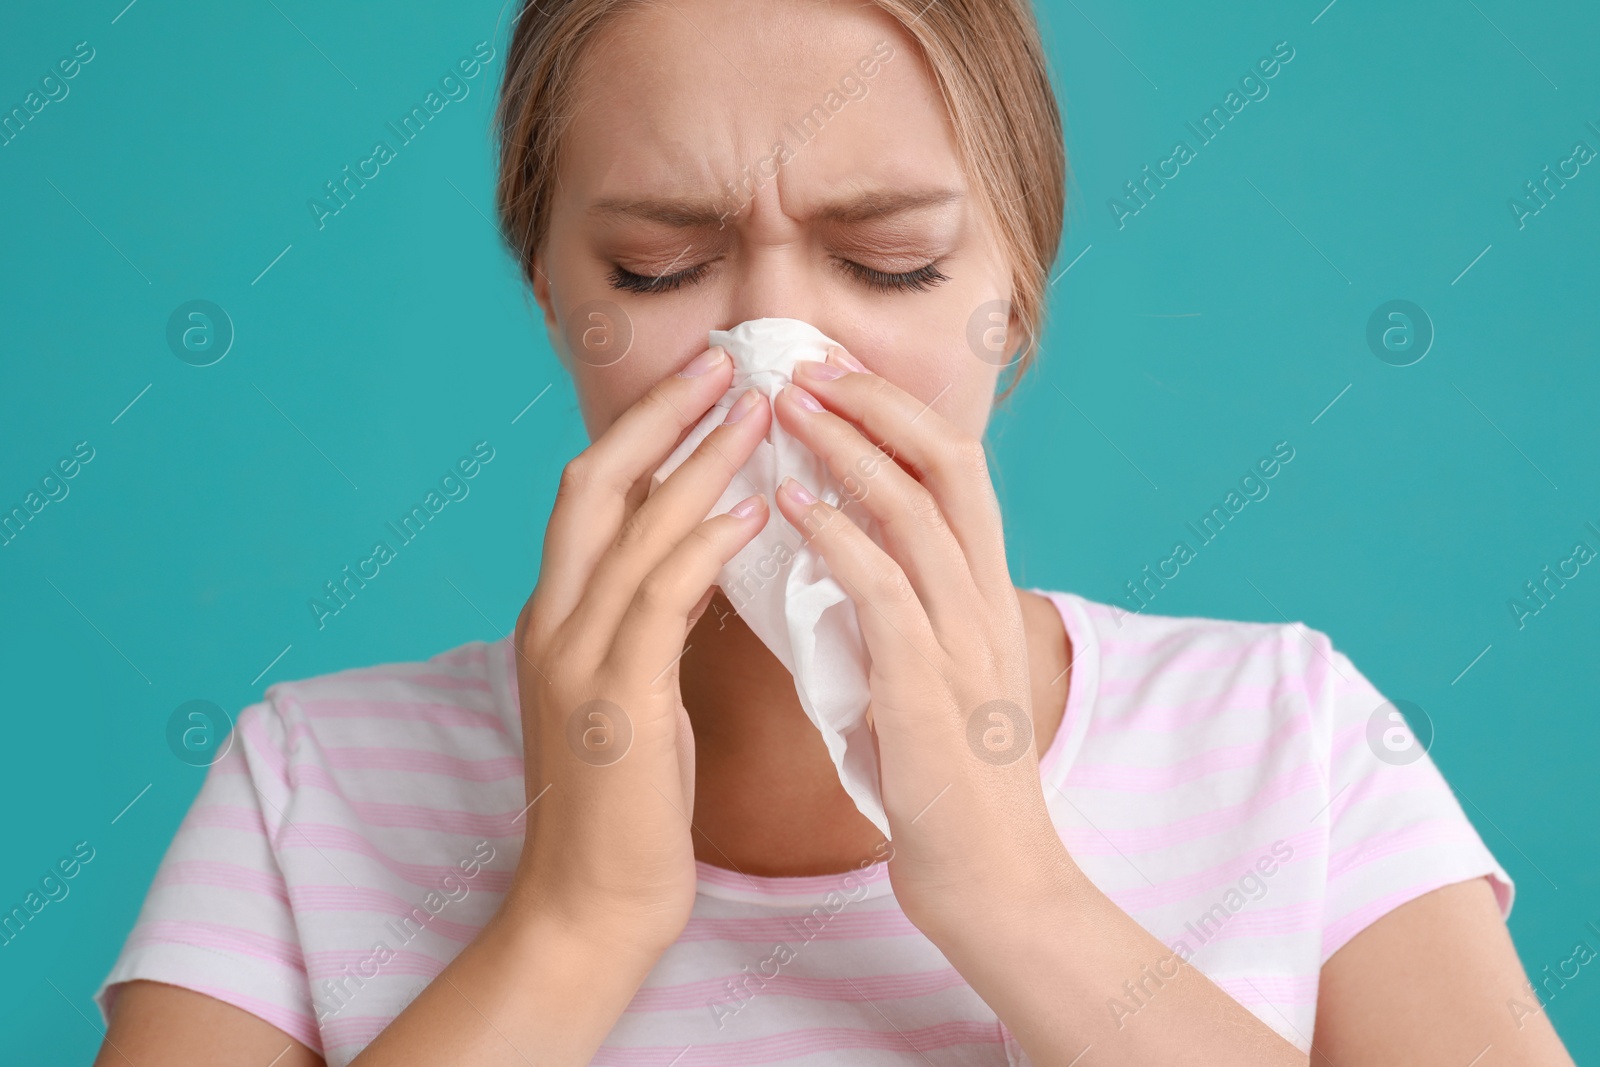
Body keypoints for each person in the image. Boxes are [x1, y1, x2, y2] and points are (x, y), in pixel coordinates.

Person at [94, 0, 1578, 1064]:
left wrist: (1019, 899)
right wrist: (574, 925)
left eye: (892, 262)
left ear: (1013, 300)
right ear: (555, 297)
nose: (777, 347)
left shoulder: (1290, 742)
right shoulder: (312, 786)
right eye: (660, 266)